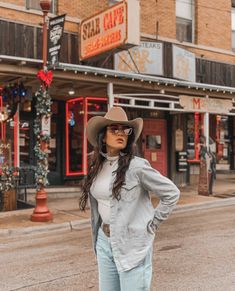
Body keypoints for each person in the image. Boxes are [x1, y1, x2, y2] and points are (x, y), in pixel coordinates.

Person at [79, 106, 180, 291]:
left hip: (132, 243)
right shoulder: (96, 166)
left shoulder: (137, 167)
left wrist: (152, 224)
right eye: (114, 129)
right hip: (104, 240)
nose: (121, 133)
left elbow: (171, 193)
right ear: (103, 135)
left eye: (125, 130)